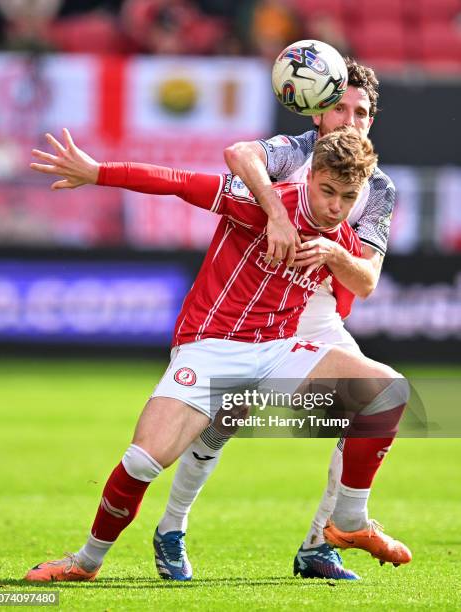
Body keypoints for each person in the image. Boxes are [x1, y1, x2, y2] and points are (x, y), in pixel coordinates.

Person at [25, 126, 411, 583]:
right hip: (210, 348)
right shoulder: (261, 202)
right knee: (142, 461)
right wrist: (96, 172)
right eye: (328, 191)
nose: (335, 207)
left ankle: (348, 520)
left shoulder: (340, 237)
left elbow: (364, 282)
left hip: (279, 351)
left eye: (348, 198)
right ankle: (86, 561)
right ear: (312, 176)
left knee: (387, 390)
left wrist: (333, 249)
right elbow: (177, 180)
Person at [153, 57, 397, 582]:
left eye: (362, 112)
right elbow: (239, 153)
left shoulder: (378, 189)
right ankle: (172, 527)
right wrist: (278, 213)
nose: (350, 120)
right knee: (223, 421)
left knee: (372, 402)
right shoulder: (293, 153)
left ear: (372, 120)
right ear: (316, 111)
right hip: (252, 306)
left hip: (318, 313)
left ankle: (321, 543)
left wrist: (332, 254)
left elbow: (367, 280)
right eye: (339, 108)